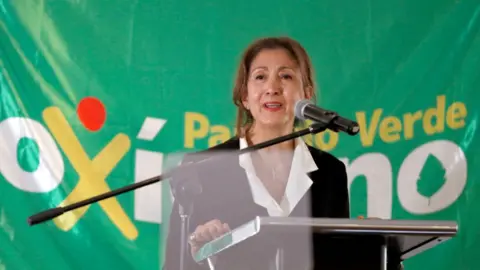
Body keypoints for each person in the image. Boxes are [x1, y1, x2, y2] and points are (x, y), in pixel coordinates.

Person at [162, 36, 395, 270]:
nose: (272, 88)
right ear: (245, 96)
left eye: (286, 76)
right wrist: (199, 254)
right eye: (260, 77)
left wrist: (370, 245)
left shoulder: (330, 171)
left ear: (306, 93)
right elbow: (175, 264)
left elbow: (333, 262)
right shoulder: (203, 167)